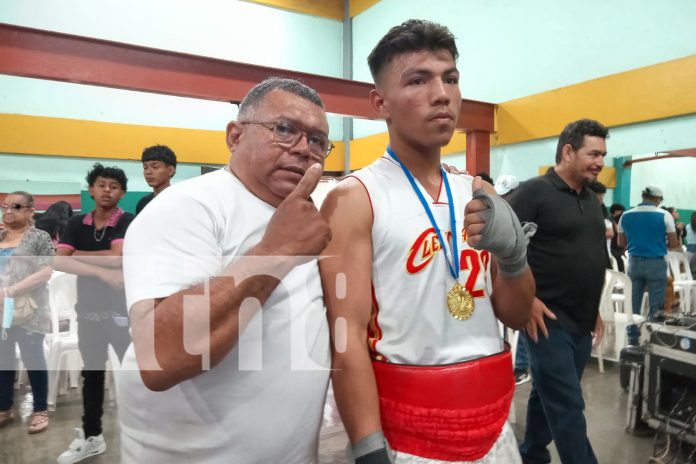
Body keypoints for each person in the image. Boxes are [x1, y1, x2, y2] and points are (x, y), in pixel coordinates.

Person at [320, 20, 534, 464]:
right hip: (408, 437)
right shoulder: (355, 199)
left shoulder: (479, 193)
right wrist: (367, 448)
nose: (441, 94)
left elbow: (514, 314)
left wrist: (514, 259)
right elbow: (347, 338)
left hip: (494, 425)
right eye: (418, 80)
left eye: (450, 78)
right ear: (380, 102)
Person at [119, 77, 332, 464]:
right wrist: (277, 251)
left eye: (318, 141)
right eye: (284, 129)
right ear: (235, 136)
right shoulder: (188, 207)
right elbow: (159, 356)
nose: (303, 149)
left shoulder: (308, 216)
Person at [508, 118, 609, 464]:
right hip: (547, 320)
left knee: (548, 394)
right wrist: (527, 299)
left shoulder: (591, 200)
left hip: (581, 321)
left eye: (603, 155)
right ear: (568, 151)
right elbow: (503, 251)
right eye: (593, 154)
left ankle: (532, 453)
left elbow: (590, 257)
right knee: (568, 404)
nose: (600, 162)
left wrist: (594, 308)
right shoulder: (534, 193)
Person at [54, 163, 134, 464]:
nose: (107, 190)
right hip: (88, 314)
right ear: (91, 189)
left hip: (121, 313)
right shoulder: (77, 223)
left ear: (122, 193)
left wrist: (77, 255)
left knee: (134, 373)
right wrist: (100, 273)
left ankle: (144, 430)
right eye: (101, 184)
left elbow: (117, 259)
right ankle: (92, 436)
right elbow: (58, 263)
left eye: (113, 186)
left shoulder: (127, 220)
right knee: (93, 375)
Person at [0, 191, 54, 434]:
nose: (9, 211)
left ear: (31, 211)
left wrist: (12, 290)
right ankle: (4, 408)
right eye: (5, 206)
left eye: (17, 206)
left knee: (33, 357)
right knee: (3, 359)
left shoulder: (38, 237)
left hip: (30, 307)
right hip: (2, 309)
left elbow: (45, 271)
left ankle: (40, 409)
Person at [617, 186, 678, 344]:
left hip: (634, 263)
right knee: (656, 304)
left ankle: (632, 338)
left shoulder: (626, 215)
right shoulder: (665, 215)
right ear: (658, 199)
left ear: (643, 196)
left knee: (633, 302)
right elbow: (673, 243)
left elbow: (621, 243)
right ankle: (654, 339)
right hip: (656, 263)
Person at [135, 145, 177, 214]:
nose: (148, 172)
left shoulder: (179, 201)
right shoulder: (143, 203)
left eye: (155, 167)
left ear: (170, 170)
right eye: (145, 167)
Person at [609, 203, 626, 272]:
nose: (622, 213)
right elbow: (617, 230)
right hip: (614, 248)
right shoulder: (611, 221)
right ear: (616, 211)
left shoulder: (617, 220)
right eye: (621, 211)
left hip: (618, 247)